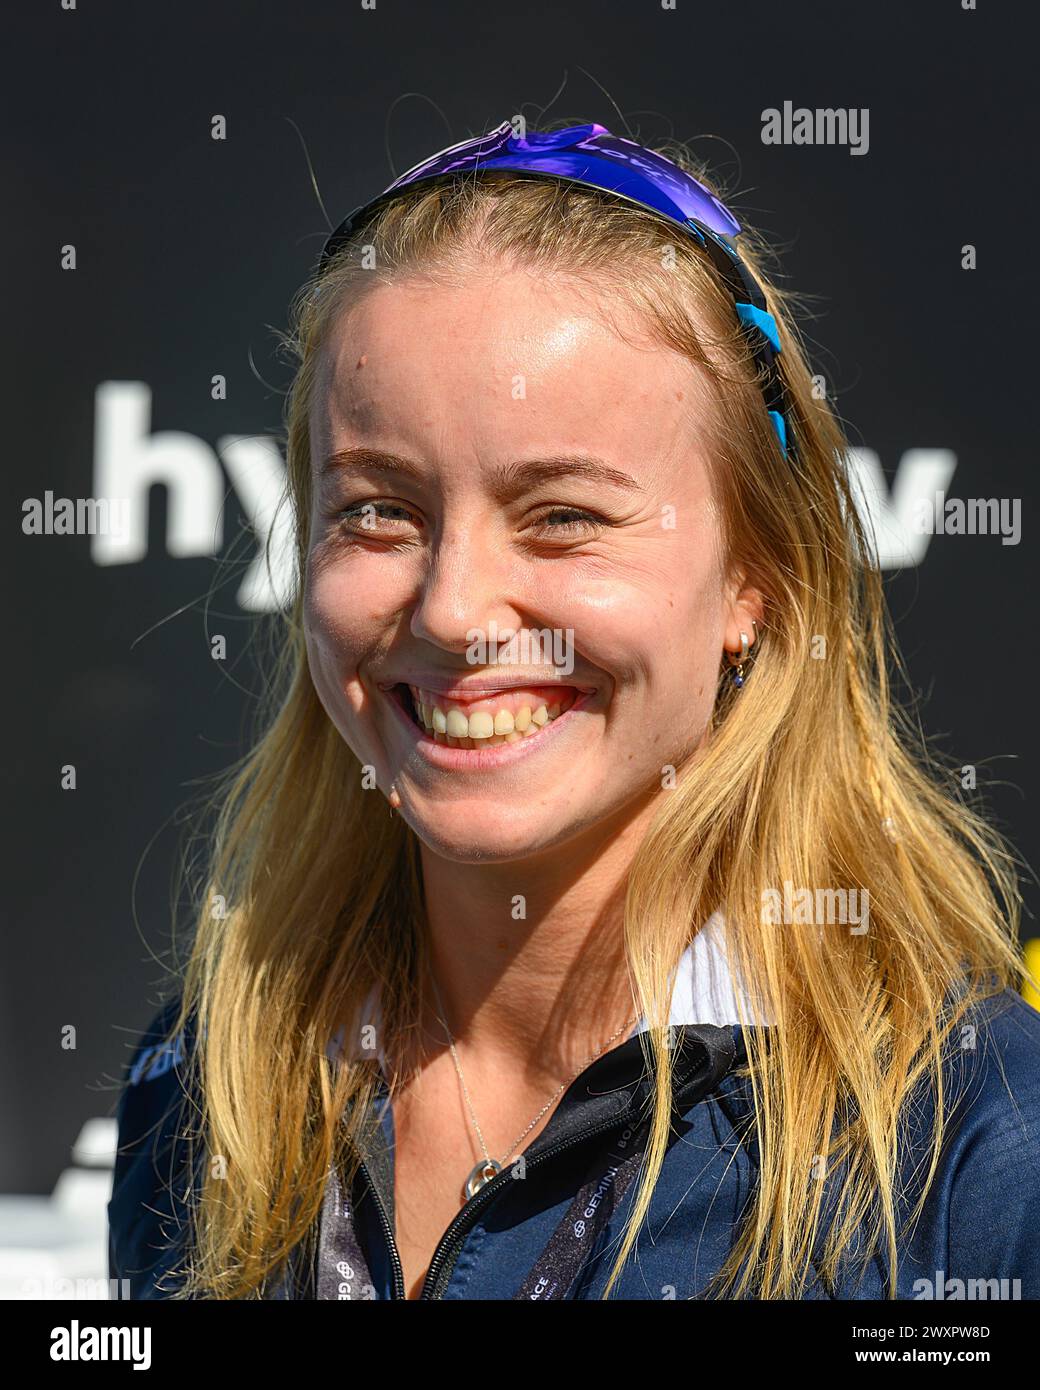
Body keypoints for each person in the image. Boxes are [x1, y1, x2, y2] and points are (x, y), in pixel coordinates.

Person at [108, 118, 1040, 1301]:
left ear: (756, 578)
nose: (451, 611)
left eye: (561, 515)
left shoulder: (973, 1149)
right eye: (379, 510)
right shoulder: (205, 1081)